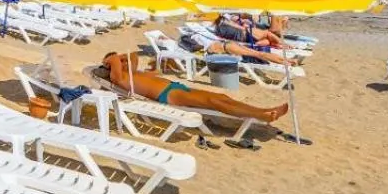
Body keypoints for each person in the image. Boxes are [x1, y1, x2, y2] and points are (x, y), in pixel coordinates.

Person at [100, 51, 289, 124]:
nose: (121, 62)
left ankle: (264, 111)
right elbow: (118, 61)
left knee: (222, 97)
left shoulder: (132, 73)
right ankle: (261, 116)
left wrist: (120, 57)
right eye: (116, 61)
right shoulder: (120, 78)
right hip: (170, 95)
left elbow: (133, 55)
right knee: (214, 102)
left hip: (176, 87)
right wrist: (111, 58)